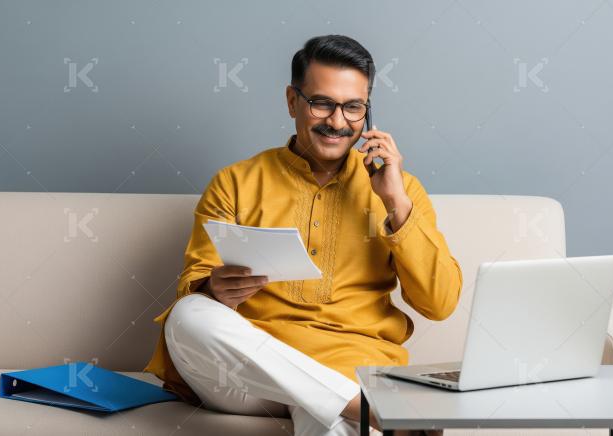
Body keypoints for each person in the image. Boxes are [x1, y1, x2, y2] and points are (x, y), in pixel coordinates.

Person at [145, 34, 462, 436]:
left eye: (353, 107)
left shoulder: (402, 190)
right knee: (187, 315)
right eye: (322, 103)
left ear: (369, 112)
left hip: (351, 367)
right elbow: (197, 297)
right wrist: (213, 289)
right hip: (249, 379)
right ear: (293, 101)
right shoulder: (236, 182)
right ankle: (375, 411)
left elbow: (440, 303)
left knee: (327, 414)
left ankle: (352, 406)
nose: (337, 121)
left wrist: (396, 203)